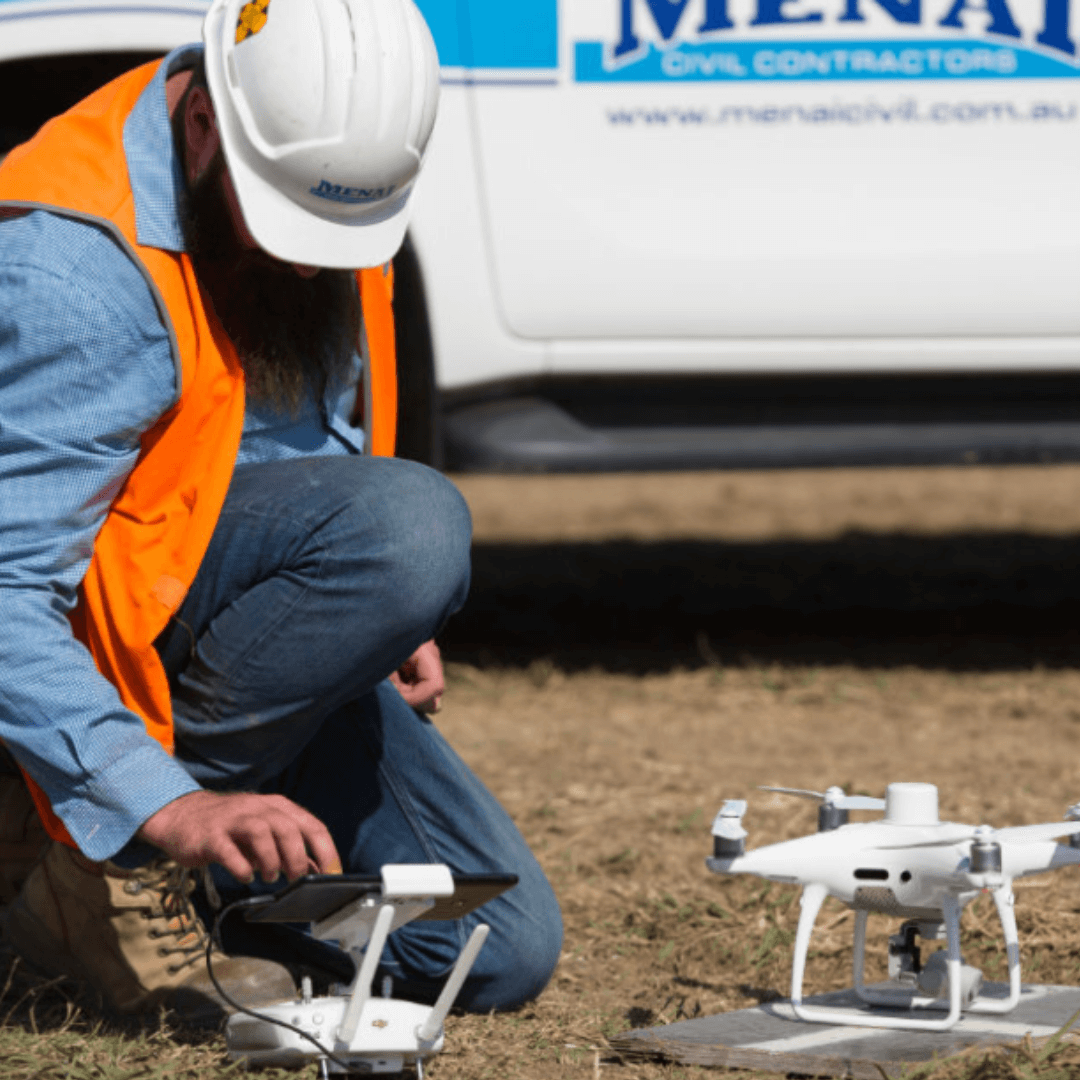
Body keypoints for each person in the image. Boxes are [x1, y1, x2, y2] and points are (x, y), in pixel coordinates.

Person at [0, 0, 562, 1024]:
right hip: (92, 648)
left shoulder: (324, 183)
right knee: (407, 525)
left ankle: (124, 884)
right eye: (290, 225)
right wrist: (166, 800)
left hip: (191, 617)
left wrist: (366, 610)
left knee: (491, 951)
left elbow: (289, 442)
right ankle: (109, 859)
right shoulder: (74, 274)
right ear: (207, 126)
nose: (314, 262)